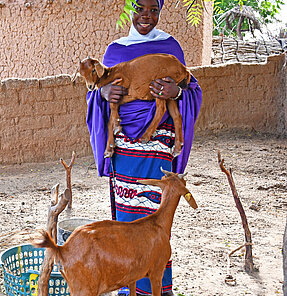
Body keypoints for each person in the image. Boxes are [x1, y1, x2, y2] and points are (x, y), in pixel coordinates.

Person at [86, 0, 202, 295]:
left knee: (156, 218)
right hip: (124, 148)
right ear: (130, 10)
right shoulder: (115, 51)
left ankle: (158, 286)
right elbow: (96, 89)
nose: (146, 16)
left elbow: (192, 88)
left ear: (160, 11)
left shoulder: (170, 47)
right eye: (140, 8)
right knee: (127, 217)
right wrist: (102, 92)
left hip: (159, 144)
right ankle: (129, 285)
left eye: (154, 9)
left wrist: (176, 91)